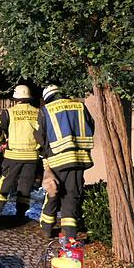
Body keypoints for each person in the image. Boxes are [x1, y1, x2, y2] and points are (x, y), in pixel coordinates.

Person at [35, 85, 95, 239]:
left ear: (47, 98)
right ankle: (69, 235)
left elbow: (39, 136)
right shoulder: (80, 106)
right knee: (71, 196)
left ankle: (47, 229)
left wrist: (45, 155)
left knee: (53, 192)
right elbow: (91, 125)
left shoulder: (46, 110)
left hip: (57, 159)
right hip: (79, 159)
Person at [0, 85, 40, 218]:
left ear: (15, 98)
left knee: (5, 181)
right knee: (25, 185)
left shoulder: (9, 112)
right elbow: (43, 133)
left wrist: (1, 142)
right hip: (32, 156)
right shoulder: (38, 112)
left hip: (13, 155)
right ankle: (21, 213)